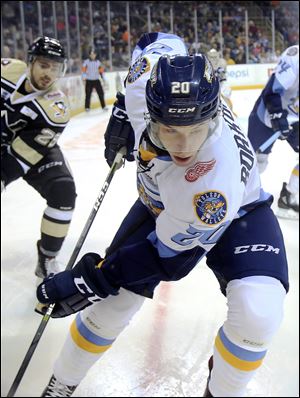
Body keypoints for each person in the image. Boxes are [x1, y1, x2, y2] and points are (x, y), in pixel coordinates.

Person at [37, 32, 288, 397]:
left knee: (258, 313)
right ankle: (62, 382)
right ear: (150, 108)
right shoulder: (144, 79)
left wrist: (91, 279)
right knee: (113, 306)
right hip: (162, 205)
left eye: (196, 130)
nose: (184, 146)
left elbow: (168, 259)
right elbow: (159, 39)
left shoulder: (212, 184)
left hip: (237, 214)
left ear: (213, 114)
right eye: (170, 129)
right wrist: (123, 106)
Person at [1, 36, 77, 280]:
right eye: (44, 65)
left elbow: (23, 155)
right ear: (30, 62)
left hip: (25, 146)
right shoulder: (5, 70)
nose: (49, 73)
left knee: (63, 191)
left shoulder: (56, 108)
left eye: (56, 68)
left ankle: (47, 257)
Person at [247, 45, 299, 219]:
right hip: (266, 116)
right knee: (254, 162)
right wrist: (278, 119)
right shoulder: (295, 56)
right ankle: (239, 198)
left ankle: (289, 198)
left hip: (295, 118)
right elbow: (271, 92)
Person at [206, 48, 235, 115]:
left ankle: (230, 113)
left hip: (222, 84)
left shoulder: (222, 62)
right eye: (211, 56)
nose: (213, 58)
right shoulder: (207, 63)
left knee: (225, 98)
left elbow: (220, 74)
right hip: (214, 84)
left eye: (214, 56)